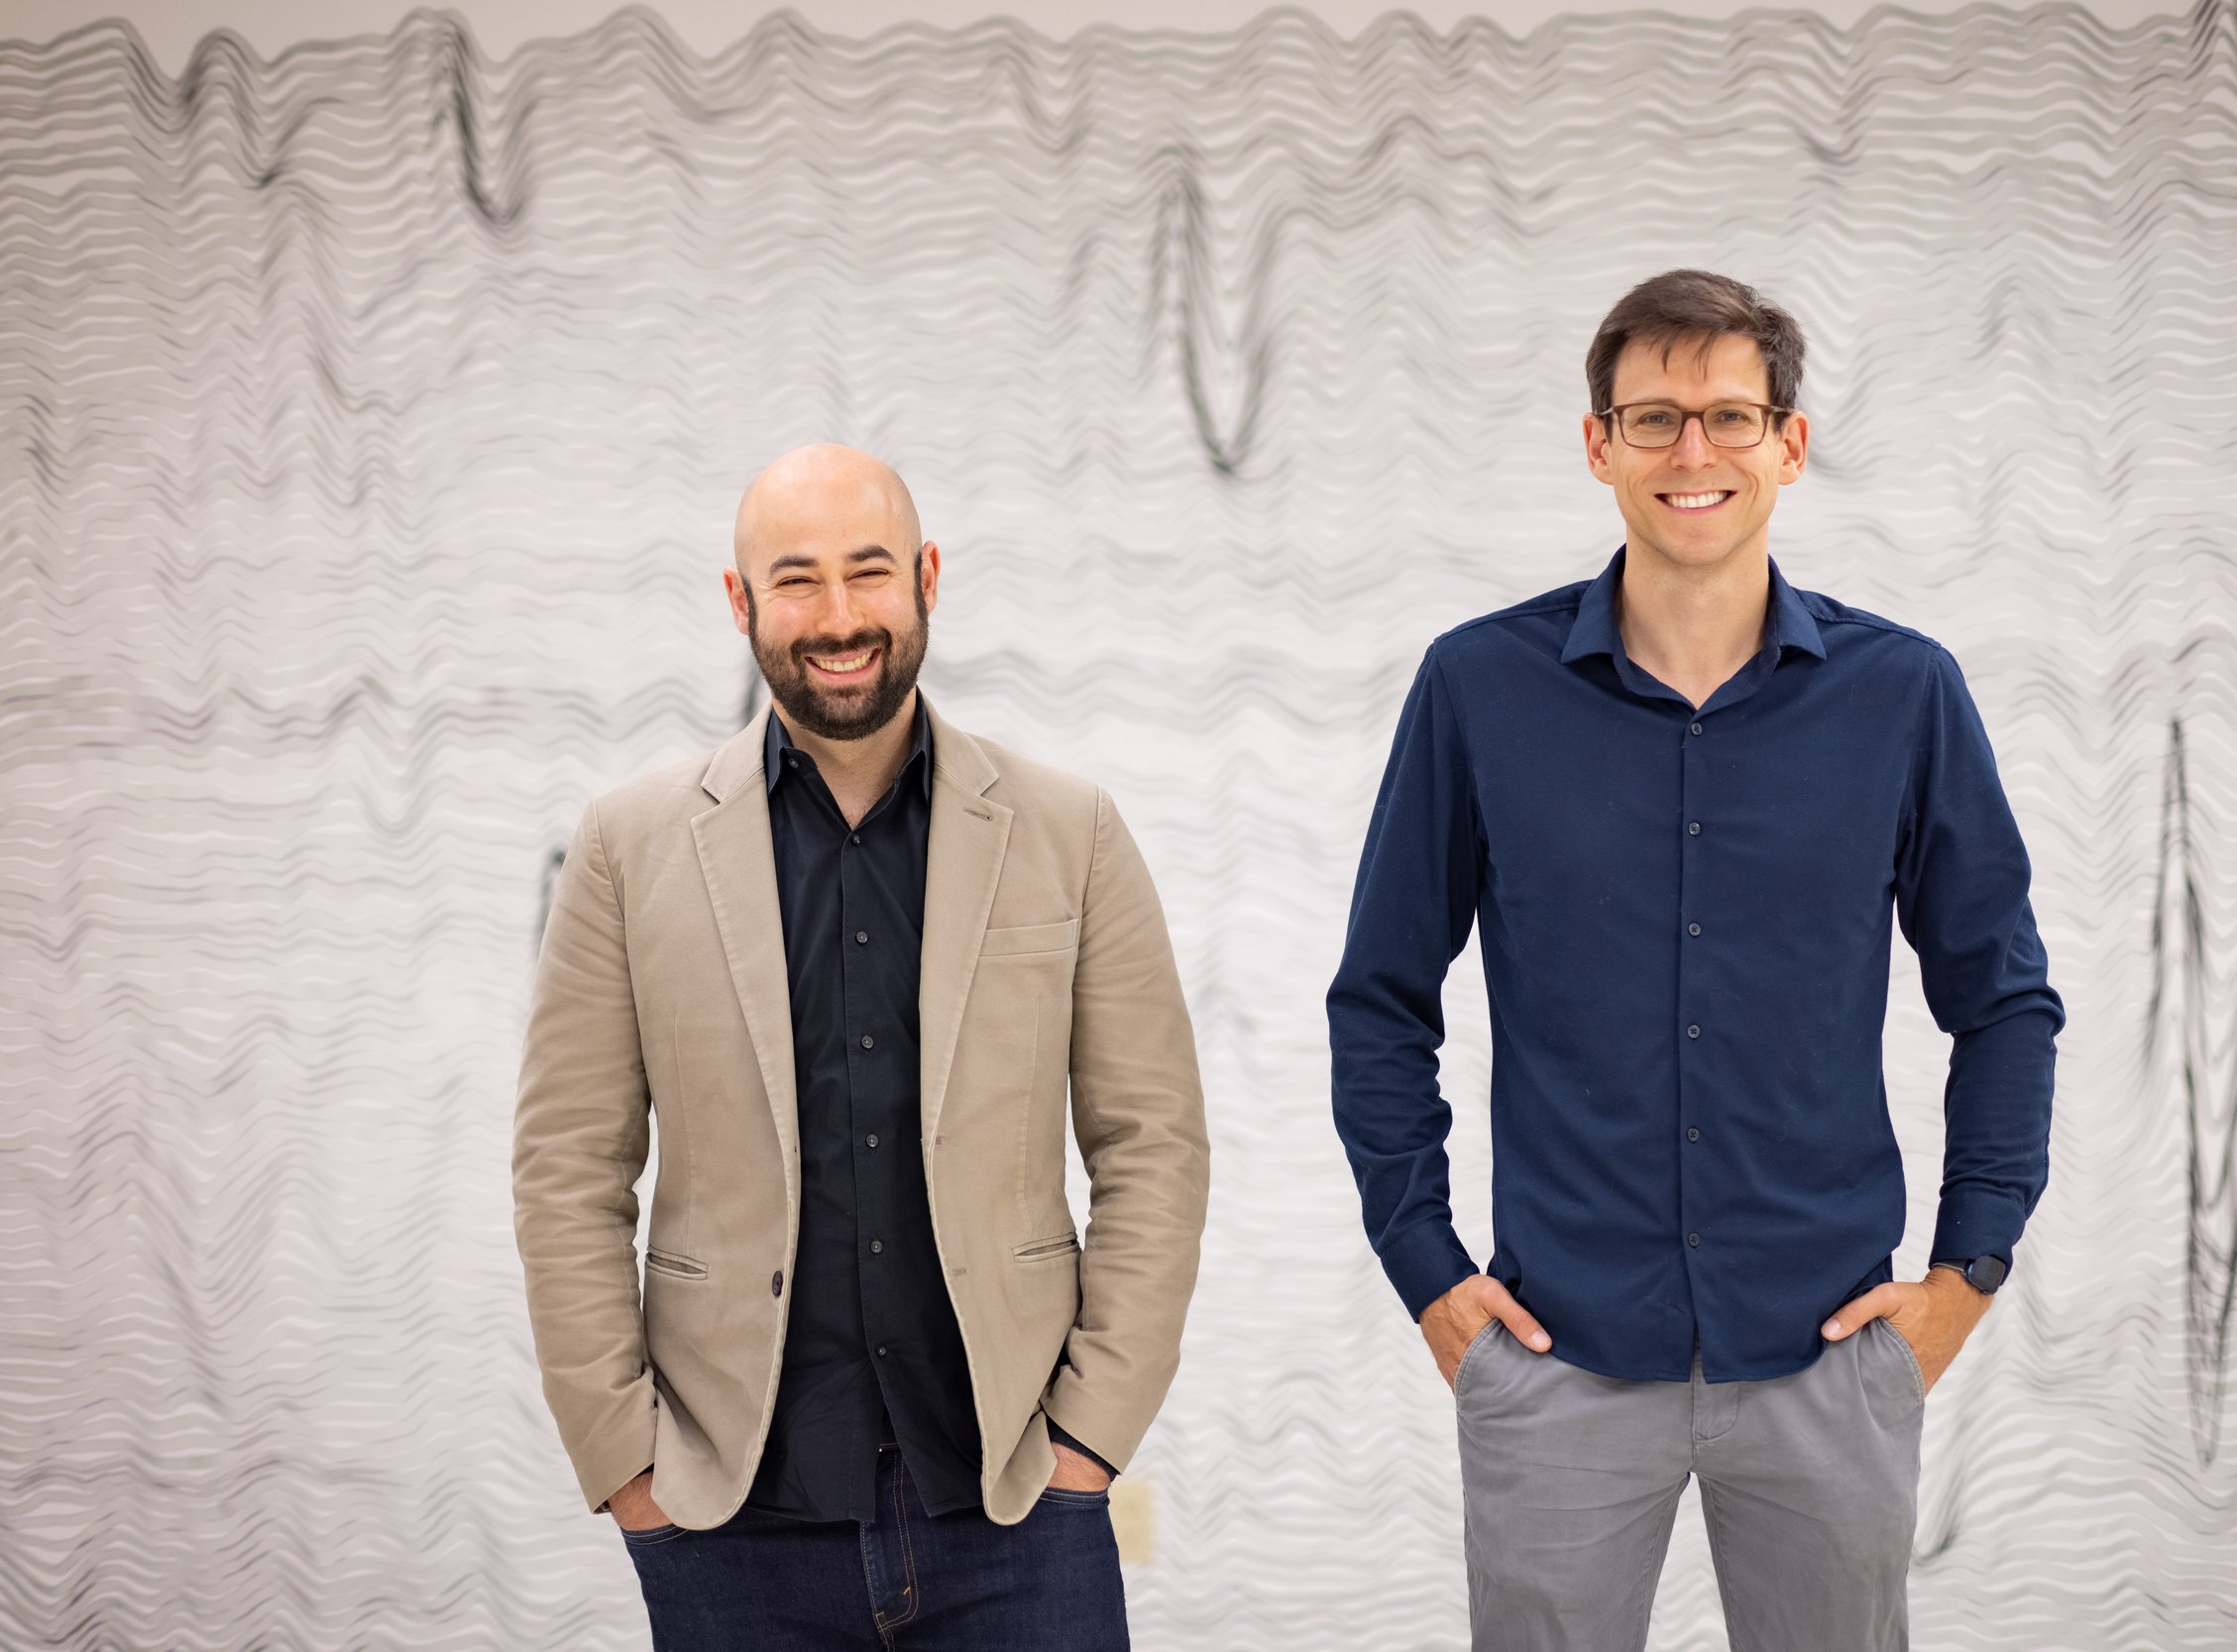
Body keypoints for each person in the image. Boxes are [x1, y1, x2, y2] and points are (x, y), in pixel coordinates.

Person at [1327, 271, 2064, 1652]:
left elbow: (2006, 997)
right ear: (1596, 442)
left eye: (1731, 415)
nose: (1693, 454)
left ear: (1790, 441)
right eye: (1654, 417)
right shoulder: (1477, 689)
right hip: (1557, 1354)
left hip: (1831, 1356)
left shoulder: (1903, 694)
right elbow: (1380, 998)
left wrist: (1967, 1275)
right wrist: (1426, 1268)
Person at [513, 443, 1209, 1651]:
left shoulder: (1068, 830)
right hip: (732, 1527)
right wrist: (629, 1460)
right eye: (795, 581)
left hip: (1017, 1511)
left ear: (927, 576)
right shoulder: (627, 847)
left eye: (868, 572)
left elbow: (1154, 1144)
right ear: (739, 602)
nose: (837, 617)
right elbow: (566, 1165)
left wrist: (1088, 1443)